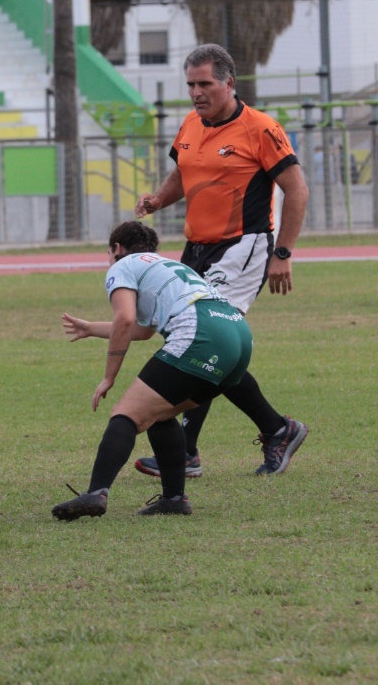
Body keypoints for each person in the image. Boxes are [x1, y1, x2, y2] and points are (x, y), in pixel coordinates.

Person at [134, 43, 308, 478]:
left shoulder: (261, 128)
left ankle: (191, 450)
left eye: (205, 84)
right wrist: (158, 199)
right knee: (191, 340)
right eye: (191, 84)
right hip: (196, 247)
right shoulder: (192, 122)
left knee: (203, 340)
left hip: (242, 248)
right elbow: (182, 172)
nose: (196, 92)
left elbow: (297, 190)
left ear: (229, 83)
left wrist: (282, 253)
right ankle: (274, 429)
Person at [52, 222, 257, 521]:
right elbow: (143, 330)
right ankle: (174, 499)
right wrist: (92, 328)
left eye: (109, 253)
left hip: (201, 333)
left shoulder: (123, 265)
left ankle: (96, 493)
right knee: (159, 413)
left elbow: (124, 319)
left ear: (117, 249)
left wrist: (109, 377)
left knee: (126, 415)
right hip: (238, 335)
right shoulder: (166, 265)